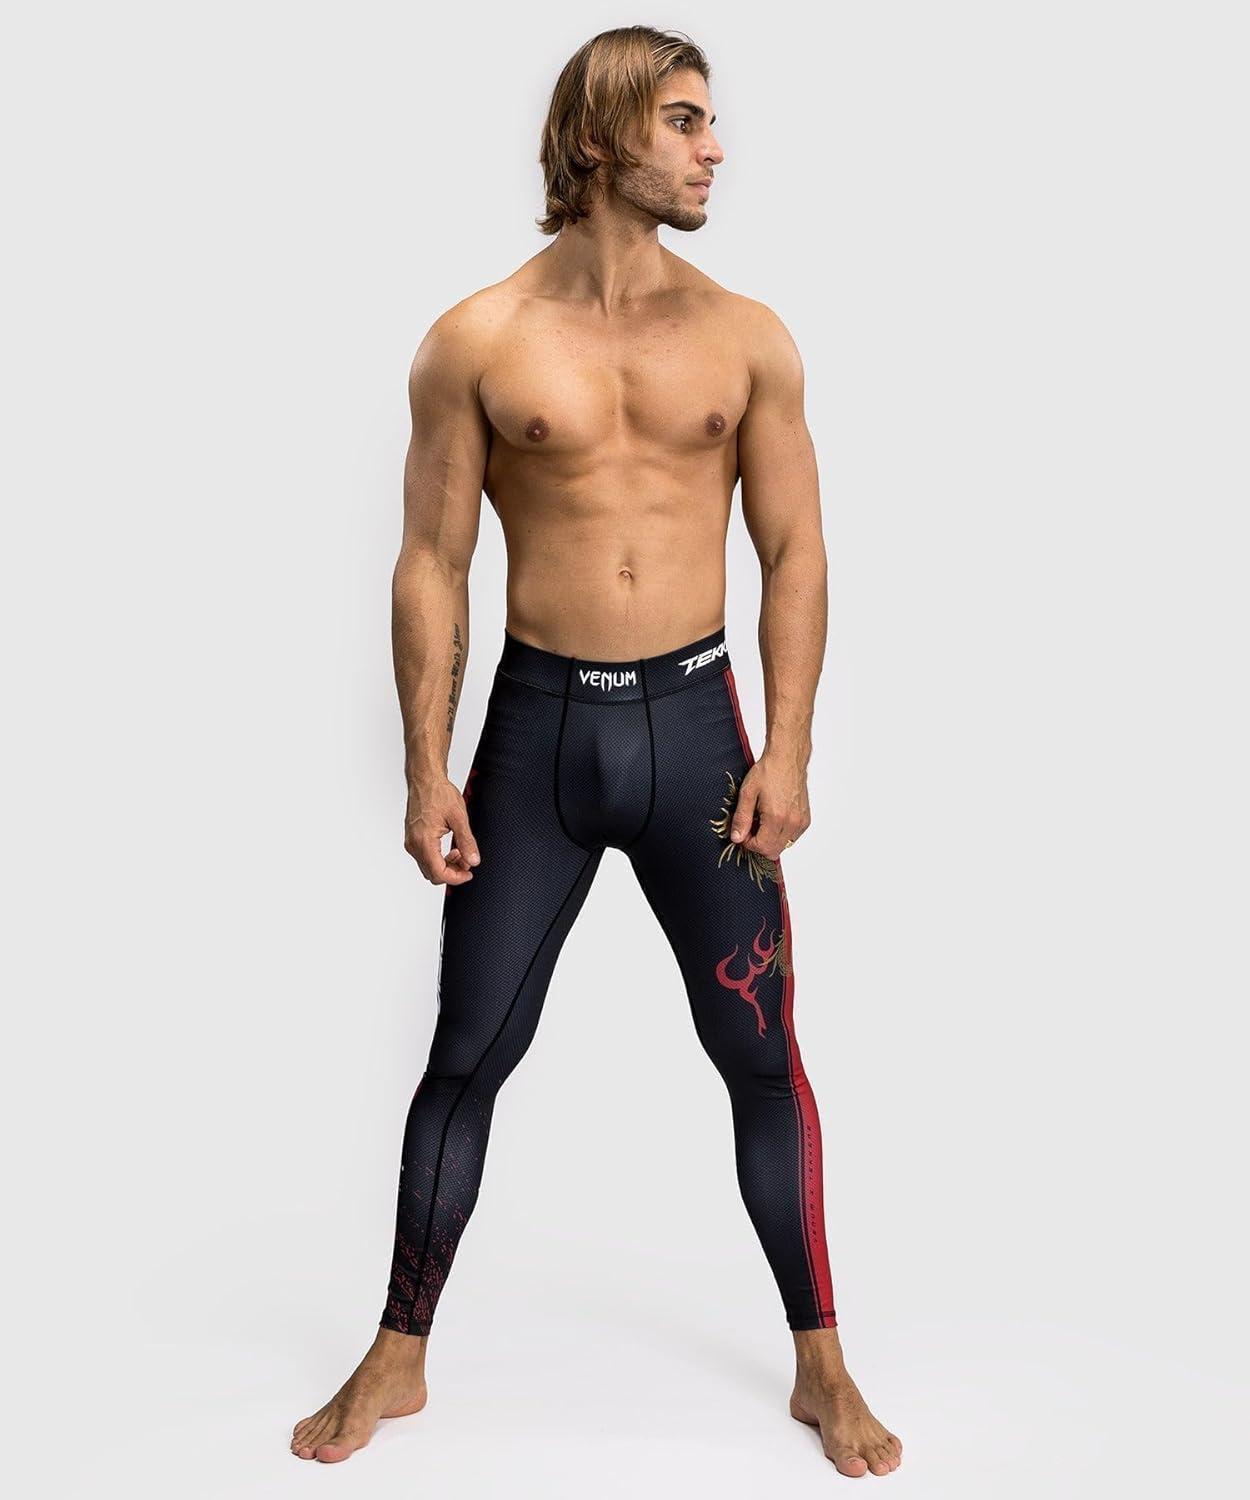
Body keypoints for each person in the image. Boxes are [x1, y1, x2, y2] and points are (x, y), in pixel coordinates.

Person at [292, 25, 902, 1476]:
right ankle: (398, 1351)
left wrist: (790, 749)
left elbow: (796, 551)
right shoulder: (478, 340)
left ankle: (821, 1364)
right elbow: (431, 560)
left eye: (710, 121)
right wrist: (425, 768)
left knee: (760, 1056)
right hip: (537, 737)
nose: (714, 148)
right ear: (597, 140)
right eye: (683, 121)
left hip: (699, 735)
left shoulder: (747, 337)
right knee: (465, 1052)